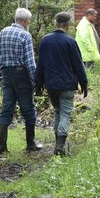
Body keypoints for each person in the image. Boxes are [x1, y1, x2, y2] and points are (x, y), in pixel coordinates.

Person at [36, 12, 88, 156]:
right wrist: (84, 83)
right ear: (68, 24)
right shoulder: (70, 42)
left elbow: (40, 64)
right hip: (67, 84)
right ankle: (60, 145)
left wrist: (38, 82)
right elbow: (78, 65)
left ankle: (58, 143)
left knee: (58, 111)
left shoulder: (45, 40)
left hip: (51, 84)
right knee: (65, 113)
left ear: (56, 23)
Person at [0, 7, 42, 153]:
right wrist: (36, 80)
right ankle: (31, 143)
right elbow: (29, 61)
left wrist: (3, 68)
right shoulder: (25, 35)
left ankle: (2, 146)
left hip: (6, 74)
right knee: (28, 109)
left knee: (6, 108)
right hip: (21, 75)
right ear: (26, 20)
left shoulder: (4, 31)